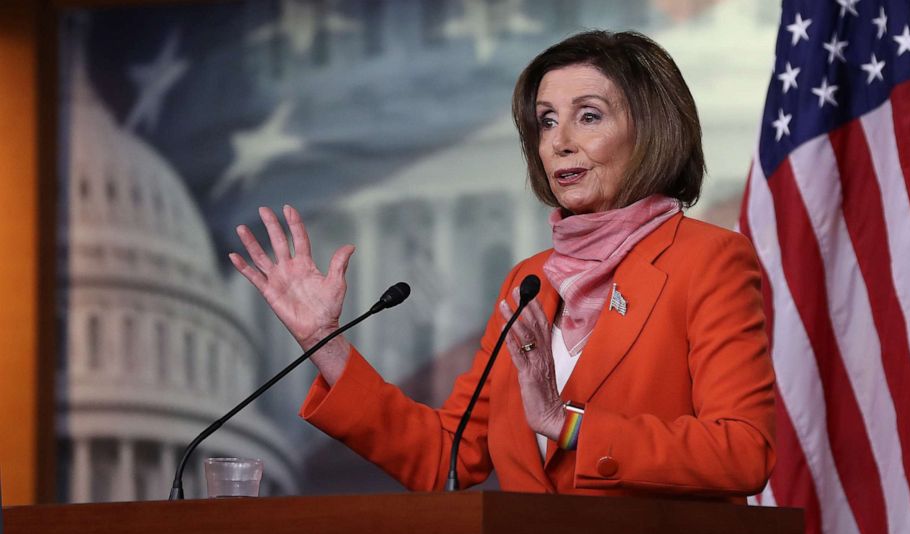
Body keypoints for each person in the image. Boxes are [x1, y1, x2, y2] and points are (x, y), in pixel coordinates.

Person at [229, 31, 775, 500]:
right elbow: (448, 456)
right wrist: (326, 342)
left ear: (651, 130)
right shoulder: (531, 280)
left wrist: (567, 427)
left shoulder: (707, 260)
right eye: (545, 121)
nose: (559, 142)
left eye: (588, 116)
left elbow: (744, 451)